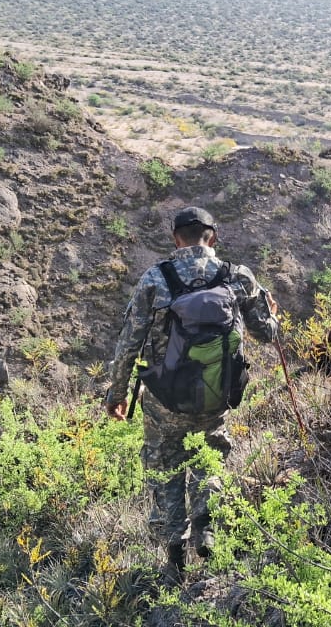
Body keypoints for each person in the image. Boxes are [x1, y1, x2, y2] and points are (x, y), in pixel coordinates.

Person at [105, 206, 279, 578]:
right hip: (216, 396)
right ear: (212, 237)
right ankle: (207, 529)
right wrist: (273, 315)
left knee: (165, 465)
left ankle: (174, 544)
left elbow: (129, 342)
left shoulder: (156, 278)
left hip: (164, 399)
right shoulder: (238, 276)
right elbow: (268, 334)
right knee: (209, 457)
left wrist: (117, 393)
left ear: (175, 239)